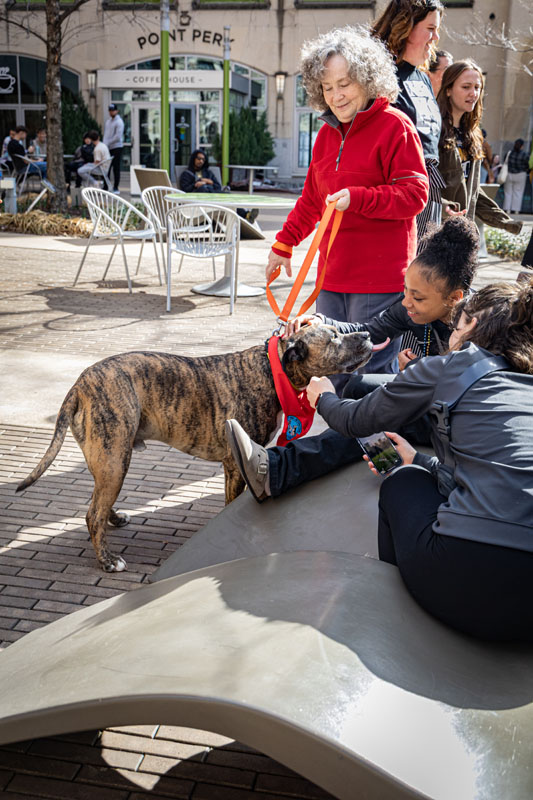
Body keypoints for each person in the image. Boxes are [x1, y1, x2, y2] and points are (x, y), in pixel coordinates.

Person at [229, 278, 533, 642]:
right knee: (396, 441)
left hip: (461, 586)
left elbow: (354, 421)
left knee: (400, 480)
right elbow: (490, 474)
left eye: (458, 319)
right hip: (525, 618)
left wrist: (323, 396)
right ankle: (279, 468)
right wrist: (424, 461)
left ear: (472, 324)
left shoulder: (453, 365)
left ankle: (390, 603)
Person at [225, 215, 478, 502]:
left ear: (455, 297)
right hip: (432, 395)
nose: (406, 302)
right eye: (405, 291)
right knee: (358, 387)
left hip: (456, 423)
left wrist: (419, 369)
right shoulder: (414, 309)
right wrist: (319, 321)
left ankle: (276, 469)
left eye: (417, 298)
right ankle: (380, 455)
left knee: (371, 418)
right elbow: (368, 329)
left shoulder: (478, 326)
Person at [267, 25, 428, 375]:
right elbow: (312, 199)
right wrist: (283, 244)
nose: (336, 96)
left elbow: (415, 195)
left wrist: (357, 198)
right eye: (327, 87)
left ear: (367, 80)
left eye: (345, 84)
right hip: (332, 278)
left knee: (369, 377)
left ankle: (375, 432)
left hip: (379, 280)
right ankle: (340, 431)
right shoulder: (326, 134)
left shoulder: (395, 126)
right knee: (332, 371)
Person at [371, 0, 446, 242]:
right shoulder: (382, 78)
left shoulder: (423, 78)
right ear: (406, 26)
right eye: (430, 28)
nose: (435, 38)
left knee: (422, 276)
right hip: (398, 196)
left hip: (428, 195)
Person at [437, 60, 522, 236]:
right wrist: (444, 206)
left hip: (462, 233)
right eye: (466, 87)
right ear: (448, 90)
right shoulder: (434, 129)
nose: (473, 93)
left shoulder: (473, 134)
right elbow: (422, 184)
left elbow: (472, 190)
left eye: (477, 87)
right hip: (434, 230)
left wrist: (506, 223)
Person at [502, 138, 529, 214]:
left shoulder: (509, 153)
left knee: (508, 192)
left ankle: (507, 209)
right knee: (518, 192)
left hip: (509, 174)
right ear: (522, 146)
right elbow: (527, 165)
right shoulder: (525, 154)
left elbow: (505, 162)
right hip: (521, 174)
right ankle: (516, 210)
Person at [103, 103, 124, 195]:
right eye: (110, 110)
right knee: (106, 167)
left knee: (116, 168)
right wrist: (104, 144)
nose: (111, 112)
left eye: (113, 110)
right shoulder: (108, 122)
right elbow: (106, 134)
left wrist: (107, 143)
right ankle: (105, 186)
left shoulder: (119, 122)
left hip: (116, 147)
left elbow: (118, 137)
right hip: (108, 147)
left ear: (117, 111)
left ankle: (116, 187)